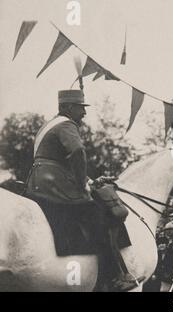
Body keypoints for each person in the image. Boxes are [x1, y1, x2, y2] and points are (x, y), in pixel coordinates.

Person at [25, 89, 140, 291]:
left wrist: (90, 179)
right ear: (69, 108)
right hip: (55, 184)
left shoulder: (48, 125)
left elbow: (58, 160)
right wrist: (81, 184)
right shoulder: (67, 125)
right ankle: (118, 275)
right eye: (81, 108)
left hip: (39, 181)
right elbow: (77, 151)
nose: (84, 113)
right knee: (98, 215)